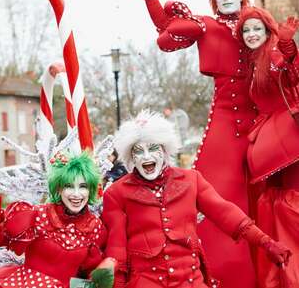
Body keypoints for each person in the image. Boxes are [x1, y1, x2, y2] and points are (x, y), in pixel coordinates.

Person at [134, 0, 258, 287]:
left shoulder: (257, 25)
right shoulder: (206, 25)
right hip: (225, 124)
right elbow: (165, 30)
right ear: (214, 1)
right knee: (219, 197)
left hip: (262, 125)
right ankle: (221, 275)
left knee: (267, 198)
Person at [102, 110, 290, 288]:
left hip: (190, 281)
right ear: (131, 157)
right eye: (138, 151)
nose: (146, 156)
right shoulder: (117, 193)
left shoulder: (191, 180)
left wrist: (266, 242)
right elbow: (116, 251)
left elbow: (226, 214)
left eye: (153, 148)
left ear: (165, 150)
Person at [0, 152, 113, 288]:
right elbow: (1, 241)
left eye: (83, 187)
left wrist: (99, 272)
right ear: (58, 189)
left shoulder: (95, 228)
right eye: (69, 186)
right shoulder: (38, 215)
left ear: (91, 190)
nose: (76, 194)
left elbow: (86, 275)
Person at [236, 6, 299, 287]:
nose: (251, 34)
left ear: (267, 30)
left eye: (256, 29)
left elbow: (289, 72)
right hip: (270, 142)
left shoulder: (272, 53)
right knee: (274, 204)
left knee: (288, 205)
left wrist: (287, 47)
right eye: (246, 30)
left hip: (287, 139)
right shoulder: (252, 60)